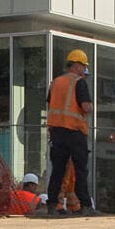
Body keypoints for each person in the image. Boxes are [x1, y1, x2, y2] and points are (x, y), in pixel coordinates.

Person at [43, 48, 94, 213]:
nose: (84, 69)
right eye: (83, 66)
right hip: (75, 131)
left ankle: (52, 204)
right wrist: (90, 108)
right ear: (77, 65)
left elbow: (50, 103)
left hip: (57, 131)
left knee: (58, 170)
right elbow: (85, 107)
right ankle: (85, 205)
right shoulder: (79, 82)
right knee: (80, 170)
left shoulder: (56, 82)